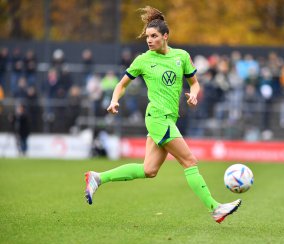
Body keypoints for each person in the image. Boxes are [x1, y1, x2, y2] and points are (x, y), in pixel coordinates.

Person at [84, 6, 241, 223]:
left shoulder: (181, 56)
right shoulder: (143, 60)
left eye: (154, 36)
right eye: (147, 36)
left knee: (149, 170)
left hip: (168, 119)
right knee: (190, 161)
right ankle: (215, 208)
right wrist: (114, 100)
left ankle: (97, 178)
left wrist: (194, 95)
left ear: (165, 36)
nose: (149, 40)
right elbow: (121, 84)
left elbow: (195, 84)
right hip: (158, 117)